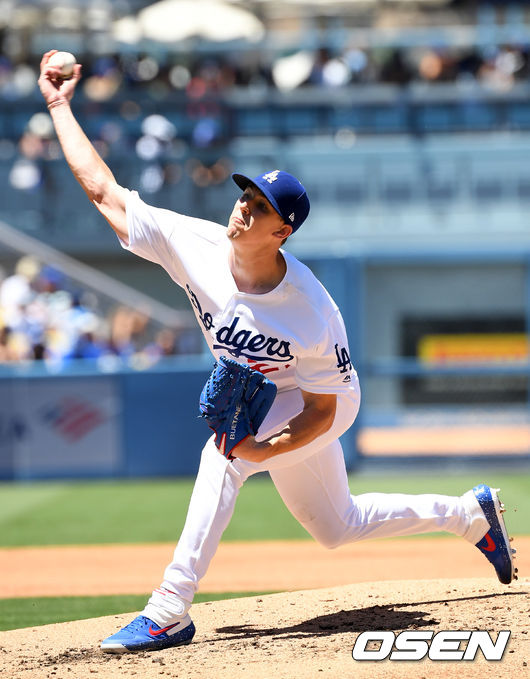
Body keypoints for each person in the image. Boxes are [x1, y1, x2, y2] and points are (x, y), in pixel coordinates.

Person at [38, 51, 516, 654]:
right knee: (337, 527)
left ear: (282, 232)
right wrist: (58, 104)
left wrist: (262, 449)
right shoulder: (193, 244)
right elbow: (103, 191)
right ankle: (469, 514)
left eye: (261, 206)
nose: (244, 205)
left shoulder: (310, 311)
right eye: (246, 195)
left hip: (320, 400)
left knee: (225, 457)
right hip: (268, 391)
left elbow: (321, 410)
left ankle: (169, 610)